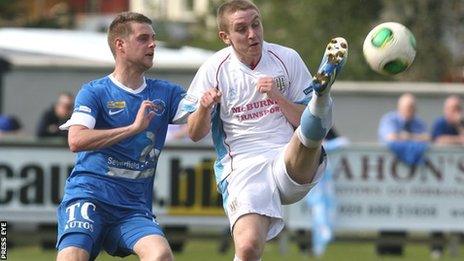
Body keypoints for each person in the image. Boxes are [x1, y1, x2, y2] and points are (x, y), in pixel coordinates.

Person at [182, 1, 348, 260]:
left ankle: (321, 95)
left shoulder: (286, 58)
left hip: (287, 160)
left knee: (309, 136)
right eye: (241, 29)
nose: (252, 34)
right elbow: (194, 133)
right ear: (224, 37)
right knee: (248, 248)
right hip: (243, 167)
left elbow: (299, 120)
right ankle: (321, 98)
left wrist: (277, 96)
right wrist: (204, 107)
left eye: (256, 24)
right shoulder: (214, 69)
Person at [56, 12, 190, 261]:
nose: (152, 44)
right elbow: (76, 140)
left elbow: (197, 124)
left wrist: (212, 96)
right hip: (89, 196)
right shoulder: (94, 91)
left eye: (153, 38)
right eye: (143, 38)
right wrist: (133, 129)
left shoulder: (167, 93)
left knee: (160, 255)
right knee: (71, 257)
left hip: (132, 207)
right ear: (120, 45)